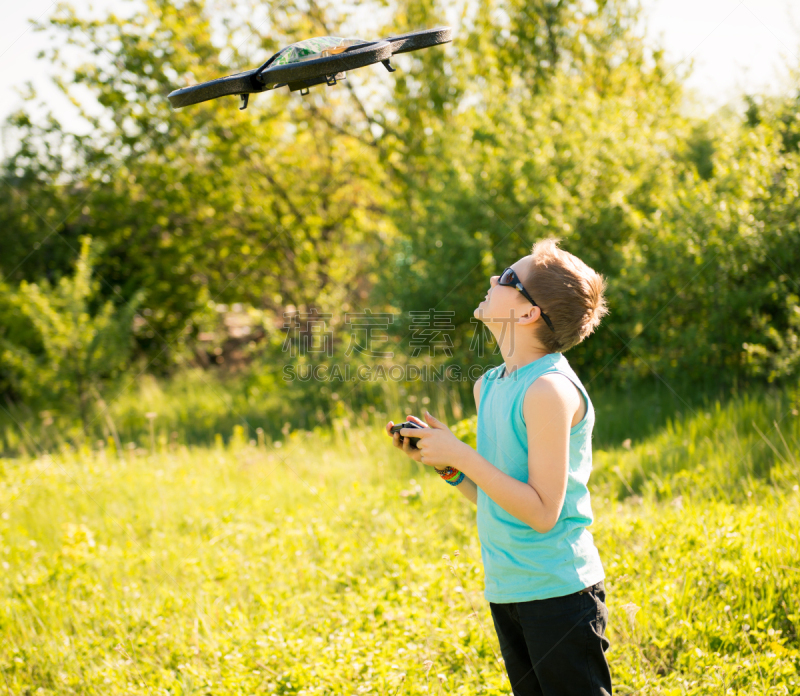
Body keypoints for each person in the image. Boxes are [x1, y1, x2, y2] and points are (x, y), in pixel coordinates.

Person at [386, 237, 612, 695]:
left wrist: (463, 454)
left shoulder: (548, 389)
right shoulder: (490, 384)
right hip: (509, 588)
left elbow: (542, 511)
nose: (493, 279)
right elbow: (501, 497)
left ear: (529, 314)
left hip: (559, 591)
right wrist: (447, 466)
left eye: (507, 278)